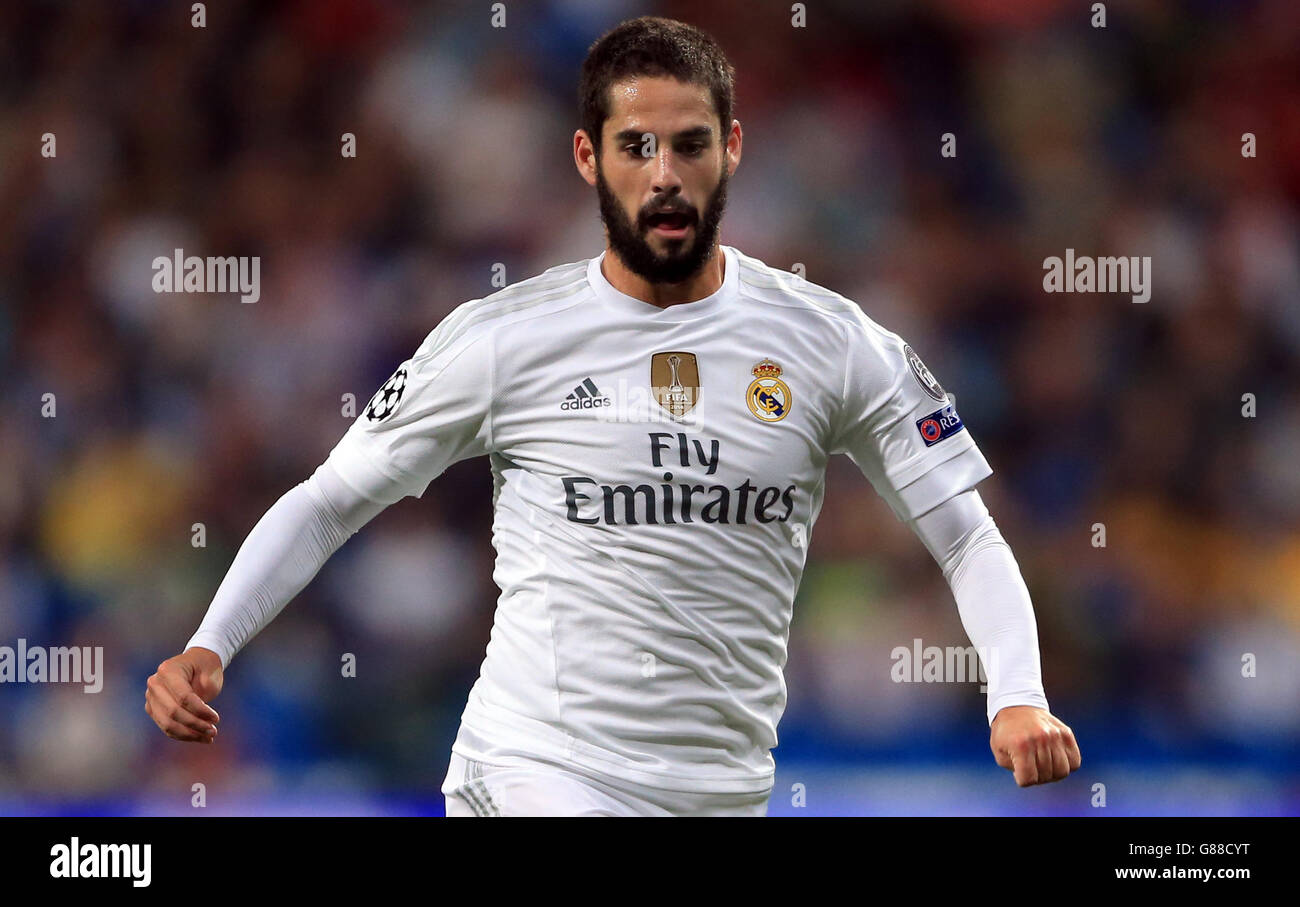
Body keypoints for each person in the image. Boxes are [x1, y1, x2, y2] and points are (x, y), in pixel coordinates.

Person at [146, 16, 1080, 816]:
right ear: (589, 157)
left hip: (720, 788)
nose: (664, 174)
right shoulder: (504, 338)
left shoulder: (833, 343)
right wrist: (210, 641)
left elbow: (965, 539)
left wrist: (1018, 694)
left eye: (690, 144)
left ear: (734, 148)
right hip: (533, 770)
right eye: (636, 146)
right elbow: (331, 498)